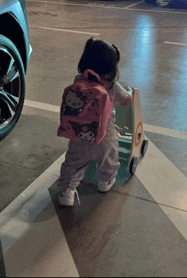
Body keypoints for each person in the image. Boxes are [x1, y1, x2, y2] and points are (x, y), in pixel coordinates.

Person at [57, 37, 132, 206]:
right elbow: (126, 100)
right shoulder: (112, 85)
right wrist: (128, 92)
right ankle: (106, 181)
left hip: (78, 134)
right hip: (104, 136)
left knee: (73, 164)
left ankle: (67, 193)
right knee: (109, 158)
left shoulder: (79, 81)